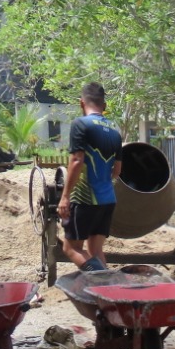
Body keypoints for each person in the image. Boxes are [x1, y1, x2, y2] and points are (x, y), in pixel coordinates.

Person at [58, 82, 122, 272]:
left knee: (71, 248)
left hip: (85, 199)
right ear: (105, 105)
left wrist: (65, 196)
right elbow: (117, 171)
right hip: (108, 200)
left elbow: (77, 161)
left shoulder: (81, 124)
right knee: (95, 251)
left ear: (81, 103)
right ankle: (107, 296)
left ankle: (104, 283)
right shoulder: (115, 132)